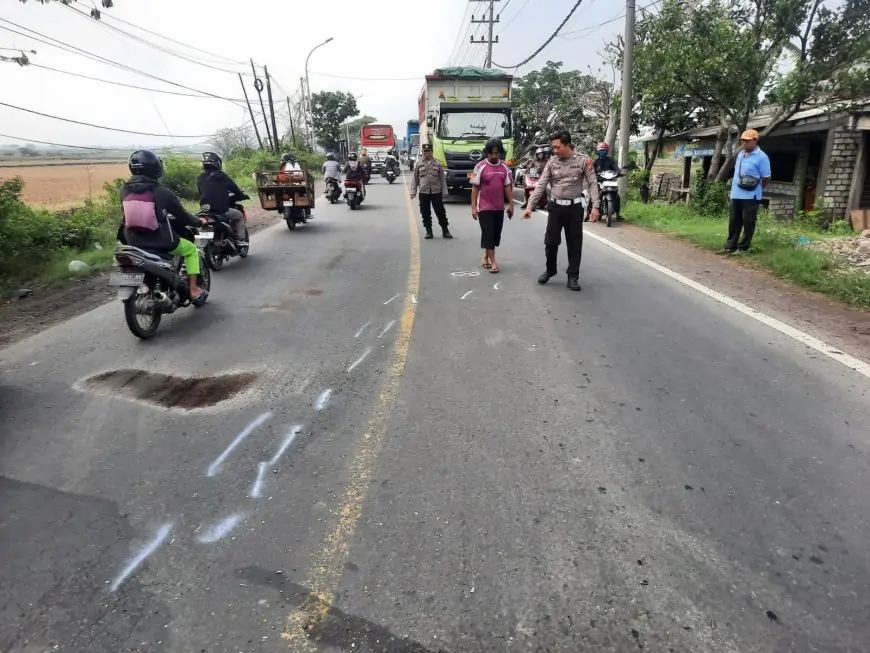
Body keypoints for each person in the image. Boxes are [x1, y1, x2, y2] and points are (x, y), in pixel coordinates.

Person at [118, 149, 209, 302]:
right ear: (155, 168)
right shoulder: (162, 192)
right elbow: (183, 216)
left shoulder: (123, 190)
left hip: (132, 241)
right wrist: (199, 221)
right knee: (191, 249)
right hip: (160, 241)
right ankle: (193, 289)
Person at [523, 130, 599, 291]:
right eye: (553, 148)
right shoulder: (551, 163)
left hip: (574, 208)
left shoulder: (583, 161)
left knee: (574, 243)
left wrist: (595, 206)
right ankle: (550, 269)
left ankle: (573, 276)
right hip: (556, 208)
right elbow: (541, 184)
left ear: (567, 145)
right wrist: (530, 206)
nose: (555, 150)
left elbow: (592, 183)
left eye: (557, 147)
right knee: (550, 242)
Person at [721, 129, 770, 254]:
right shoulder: (740, 154)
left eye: (747, 141)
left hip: (751, 196)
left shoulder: (762, 157)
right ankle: (730, 246)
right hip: (736, 194)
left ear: (755, 140)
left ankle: (743, 248)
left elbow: (766, 177)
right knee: (734, 221)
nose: (744, 143)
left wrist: (758, 189)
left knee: (748, 222)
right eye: (742, 140)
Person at [470, 137, 514, 273]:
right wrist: (473, 207)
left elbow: (507, 187)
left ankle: (485, 256)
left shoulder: (504, 167)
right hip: (485, 207)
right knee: (488, 234)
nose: (494, 156)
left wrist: (511, 205)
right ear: (486, 153)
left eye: (497, 153)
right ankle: (494, 262)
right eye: (491, 153)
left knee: (495, 236)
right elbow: (475, 188)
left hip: (499, 207)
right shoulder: (480, 166)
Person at [197, 152, 249, 246]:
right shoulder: (221, 176)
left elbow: (201, 193)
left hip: (205, 211)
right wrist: (242, 196)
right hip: (220, 211)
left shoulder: (200, 177)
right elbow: (234, 188)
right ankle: (240, 240)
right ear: (217, 163)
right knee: (238, 215)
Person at [410, 143, 452, 239]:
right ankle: (428, 231)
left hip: (436, 191)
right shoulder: (419, 163)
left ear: (431, 152)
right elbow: (415, 179)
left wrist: (445, 192)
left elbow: (442, 178)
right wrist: (413, 192)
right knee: (425, 212)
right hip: (423, 192)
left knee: (440, 211)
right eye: (425, 151)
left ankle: (445, 230)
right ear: (422, 152)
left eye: (428, 151)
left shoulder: (437, 163)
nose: (427, 153)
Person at [593, 141, 622, 220]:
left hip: (610, 181)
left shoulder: (611, 160)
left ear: (607, 151)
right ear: (598, 152)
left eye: (604, 150)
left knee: (617, 197)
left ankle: (618, 214)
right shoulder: (596, 162)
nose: (602, 152)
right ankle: (589, 213)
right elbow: (591, 171)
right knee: (594, 195)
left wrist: (618, 172)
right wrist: (593, 175)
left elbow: (617, 169)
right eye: (601, 150)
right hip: (600, 181)